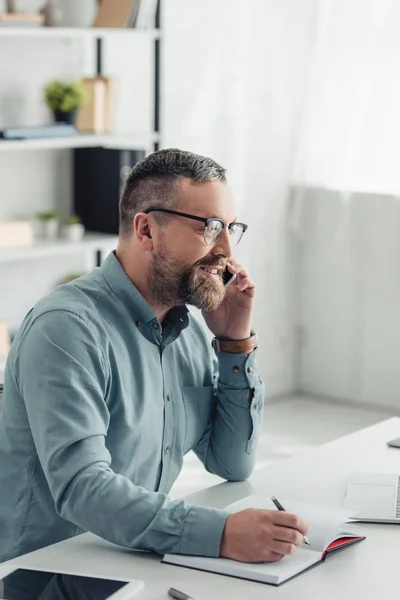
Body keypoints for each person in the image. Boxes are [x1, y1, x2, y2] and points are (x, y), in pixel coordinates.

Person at [0, 149, 307, 564]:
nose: (227, 250)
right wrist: (221, 534)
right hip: (46, 573)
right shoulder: (66, 329)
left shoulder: (189, 332)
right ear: (146, 230)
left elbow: (232, 462)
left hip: (136, 557)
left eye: (232, 228)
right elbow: (82, 487)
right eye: (211, 228)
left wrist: (234, 343)